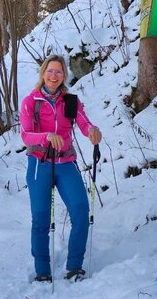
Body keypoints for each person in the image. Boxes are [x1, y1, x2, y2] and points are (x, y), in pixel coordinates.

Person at [20, 54, 102, 283]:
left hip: (66, 163)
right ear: (43, 73)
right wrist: (46, 136)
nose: (53, 75)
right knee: (41, 219)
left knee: (81, 212)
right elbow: (25, 135)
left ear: (64, 75)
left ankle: (75, 267)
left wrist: (93, 131)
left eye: (58, 71)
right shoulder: (31, 101)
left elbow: (84, 123)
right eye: (50, 71)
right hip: (40, 164)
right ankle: (42, 270)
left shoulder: (71, 101)